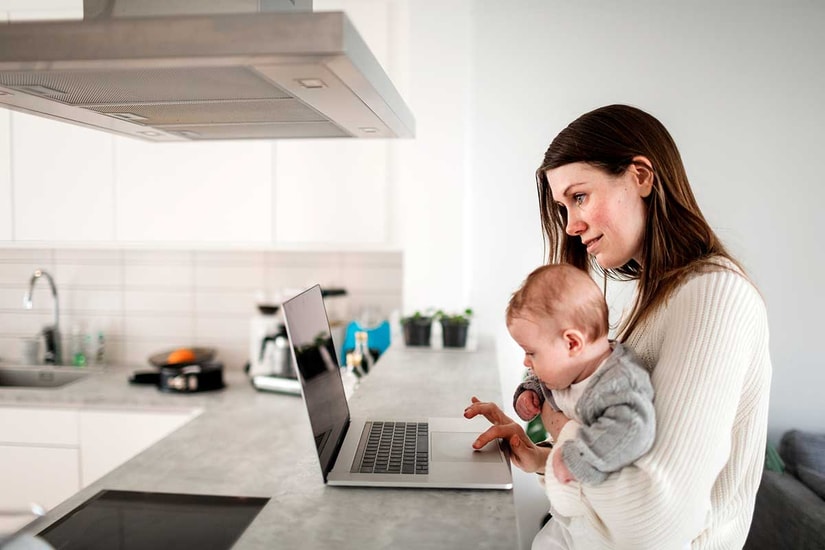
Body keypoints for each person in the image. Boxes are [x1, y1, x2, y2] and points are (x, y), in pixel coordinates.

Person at [464, 104, 771, 549]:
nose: (571, 226)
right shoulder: (652, 302)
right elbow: (617, 474)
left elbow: (652, 524)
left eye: (580, 197)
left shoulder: (715, 297)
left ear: (641, 176)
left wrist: (557, 426)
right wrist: (541, 460)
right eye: (563, 207)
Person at [507, 263, 655, 486]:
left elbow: (632, 430)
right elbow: (544, 381)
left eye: (531, 353)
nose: (526, 361)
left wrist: (577, 461)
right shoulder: (570, 368)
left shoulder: (616, 384)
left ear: (572, 343)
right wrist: (531, 392)